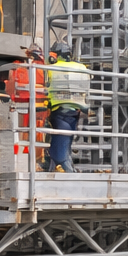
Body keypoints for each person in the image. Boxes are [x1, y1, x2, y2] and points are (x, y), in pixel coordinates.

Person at [46, 41, 91, 172]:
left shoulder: (52, 68)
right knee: (66, 141)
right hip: (75, 110)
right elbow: (86, 88)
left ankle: (69, 171)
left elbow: (46, 86)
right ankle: (62, 168)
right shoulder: (81, 68)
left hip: (58, 110)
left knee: (60, 146)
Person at [4, 45, 47, 167]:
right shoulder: (42, 67)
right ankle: (36, 160)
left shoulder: (22, 68)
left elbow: (11, 88)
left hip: (25, 105)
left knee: (23, 133)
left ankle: (25, 158)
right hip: (39, 105)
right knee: (36, 133)